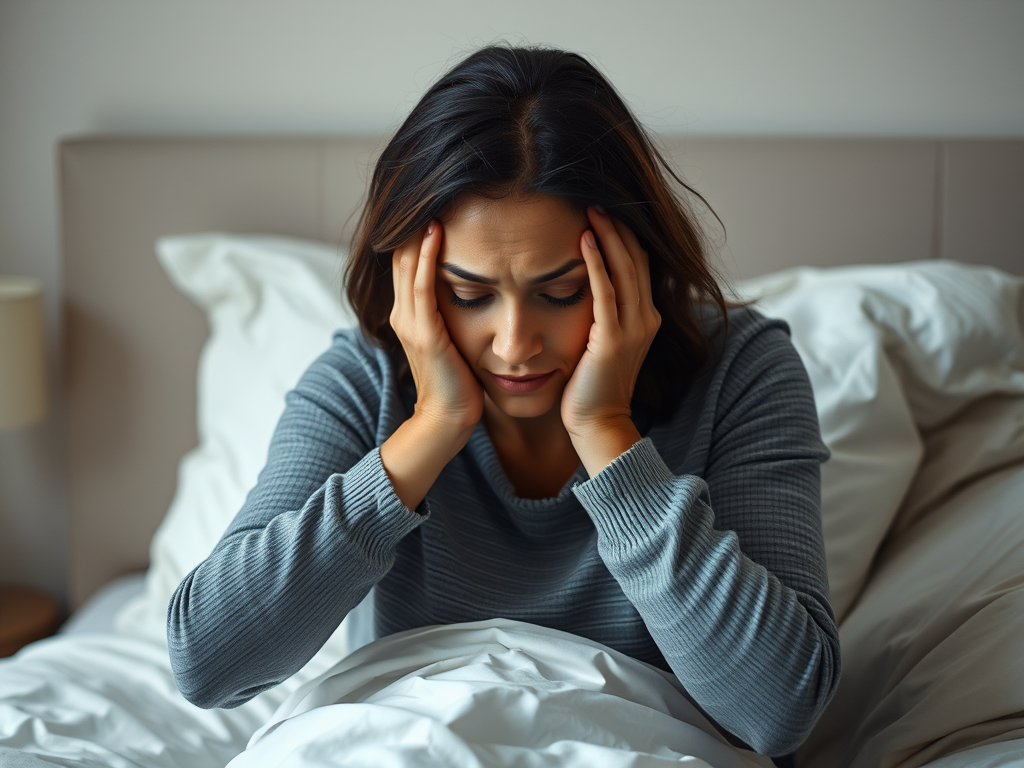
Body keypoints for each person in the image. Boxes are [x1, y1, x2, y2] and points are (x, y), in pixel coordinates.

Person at [167, 45, 840, 757]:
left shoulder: (742, 370)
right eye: (469, 295)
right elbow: (209, 664)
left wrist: (608, 433)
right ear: (415, 284)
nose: (515, 344)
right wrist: (429, 431)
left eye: (560, 292)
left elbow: (780, 708)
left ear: (631, 266)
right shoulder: (367, 380)